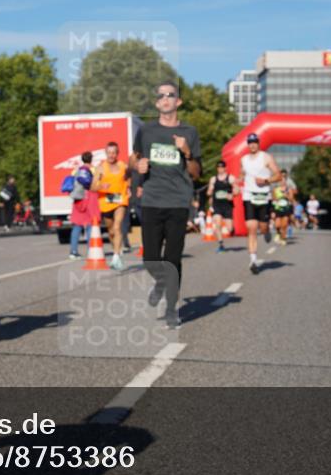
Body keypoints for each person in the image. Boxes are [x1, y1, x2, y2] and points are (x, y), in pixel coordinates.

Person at [130, 82, 201, 328]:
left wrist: (187, 152)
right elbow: (134, 157)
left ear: (178, 102)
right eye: (161, 95)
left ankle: (172, 308)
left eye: (170, 95)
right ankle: (161, 282)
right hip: (151, 200)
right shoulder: (147, 131)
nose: (165, 98)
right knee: (150, 259)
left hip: (178, 202)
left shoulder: (189, 132)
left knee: (172, 259)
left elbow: (196, 172)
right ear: (157, 103)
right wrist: (136, 166)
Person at [238, 133, 281, 275]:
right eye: (250, 142)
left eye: (255, 142)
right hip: (249, 196)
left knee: (262, 227)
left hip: (264, 196)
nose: (252, 144)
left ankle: (267, 230)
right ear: (247, 144)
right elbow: (241, 175)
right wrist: (237, 183)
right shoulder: (243, 160)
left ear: (259, 143)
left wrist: (266, 181)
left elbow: (278, 175)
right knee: (251, 227)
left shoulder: (266, 157)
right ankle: (253, 260)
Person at [96, 142, 130, 270]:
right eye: (109, 152)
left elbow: (128, 177)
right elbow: (93, 186)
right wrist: (100, 186)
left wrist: (129, 187)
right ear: (106, 153)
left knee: (117, 227)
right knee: (110, 231)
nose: (111, 155)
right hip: (105, 202)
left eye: (114, 152)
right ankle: (116, 248)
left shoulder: (123, 166)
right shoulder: (100, 168)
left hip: (120, 200)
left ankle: (116, 256)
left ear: (117, 153)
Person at [68, 151, 99, 259]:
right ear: (91, 159)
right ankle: (91, 249)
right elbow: (93, 184)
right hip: (88, 200)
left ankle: (73, 251)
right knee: (90, 225)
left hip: (77, 200)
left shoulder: (76, 170)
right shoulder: (92, 169)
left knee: (77, 226)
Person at [206, 160, 236, 252]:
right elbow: (209, 191)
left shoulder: (230, 178)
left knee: (229, 228)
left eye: (222, 167)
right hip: (217, 205)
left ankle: (232, 230)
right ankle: (221, 244)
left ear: (225, 168)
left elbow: (237, 189)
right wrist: (209, 192)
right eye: (218, 168)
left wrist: (233, 194)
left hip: (227, 206)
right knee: (217, 225)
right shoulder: (213, 179)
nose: (220, 169)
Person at [272, 180, 294, 246]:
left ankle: (283, 239)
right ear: (279, 182)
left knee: (284, 225)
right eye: (281, 181)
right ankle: (278, 233)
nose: (282, 182)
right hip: (278, 208)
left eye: (284, 181)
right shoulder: (275, 190)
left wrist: (286, 195)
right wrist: (277, 198)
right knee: (277, 225)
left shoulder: (289, 190)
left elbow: (291, 199)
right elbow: (273, 199)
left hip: (286, 209)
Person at [281, 170, 298, 240]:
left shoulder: (290, 181)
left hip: (288, 201)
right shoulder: (277, 181)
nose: (283, 177)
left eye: (285, 175)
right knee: (281, 218)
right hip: (279, 202)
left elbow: (296, 191)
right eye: (282, 175)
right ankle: (281, 232)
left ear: (287, 175)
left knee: (289, 217)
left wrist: (289, 191)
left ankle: (289, 230)